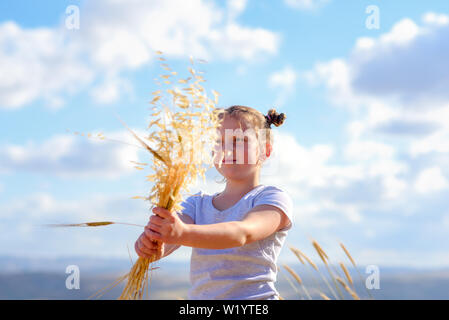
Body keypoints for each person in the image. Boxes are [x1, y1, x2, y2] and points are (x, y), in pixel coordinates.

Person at [135, 105, 294, 300]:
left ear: (265, 150)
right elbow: (173, 233)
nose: (228, 148)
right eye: (219, 141)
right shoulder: (196, 204)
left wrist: (181, 233)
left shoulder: (271, 199)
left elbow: (242, 233)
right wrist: (154, 245)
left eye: (239, 140)